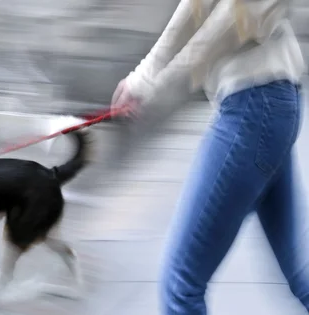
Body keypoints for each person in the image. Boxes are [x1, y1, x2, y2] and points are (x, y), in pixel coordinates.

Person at [110, 0, 307, 314]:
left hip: (253, 106)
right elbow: (197, 5)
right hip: (265, 103)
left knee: (180, 285)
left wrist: (156, 84)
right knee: (301, 273)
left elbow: (232, 21)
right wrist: (144, 74)